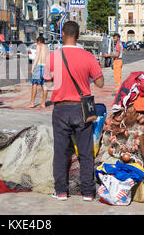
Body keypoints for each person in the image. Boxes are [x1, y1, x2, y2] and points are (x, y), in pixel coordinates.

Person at [43, 21, 104, 202]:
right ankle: (88, 192)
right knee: (85, 151)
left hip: (60, 109)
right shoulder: (88, 56)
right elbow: (100, 83)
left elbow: (47, 82)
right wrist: (85, 80)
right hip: (81, 109)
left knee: (60, 151)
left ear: (62, 34)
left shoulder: (52, 57)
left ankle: (61, 191)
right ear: (78, 36)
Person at [27, 35, 49, 108]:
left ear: (39, 42)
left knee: (34, 84)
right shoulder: (47, 47)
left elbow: (37, 57)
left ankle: (32, 103)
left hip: (39, 66)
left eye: (37, 42)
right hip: (46, 67)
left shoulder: (39, 46)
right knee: (44, 85)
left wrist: (32, 67)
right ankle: (43, 103)